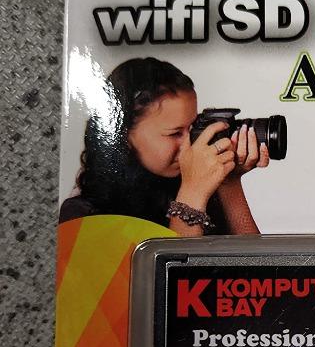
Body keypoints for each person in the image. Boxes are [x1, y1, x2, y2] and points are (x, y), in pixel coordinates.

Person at [59, 57, 270, 235]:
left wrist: (229, 184)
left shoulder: (193, 186)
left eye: (193, 128)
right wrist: (192, 194)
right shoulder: (82, 214)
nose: (190, 145)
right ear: (122, 135)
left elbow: (257, 268)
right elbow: (174, 271)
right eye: (175, 133)